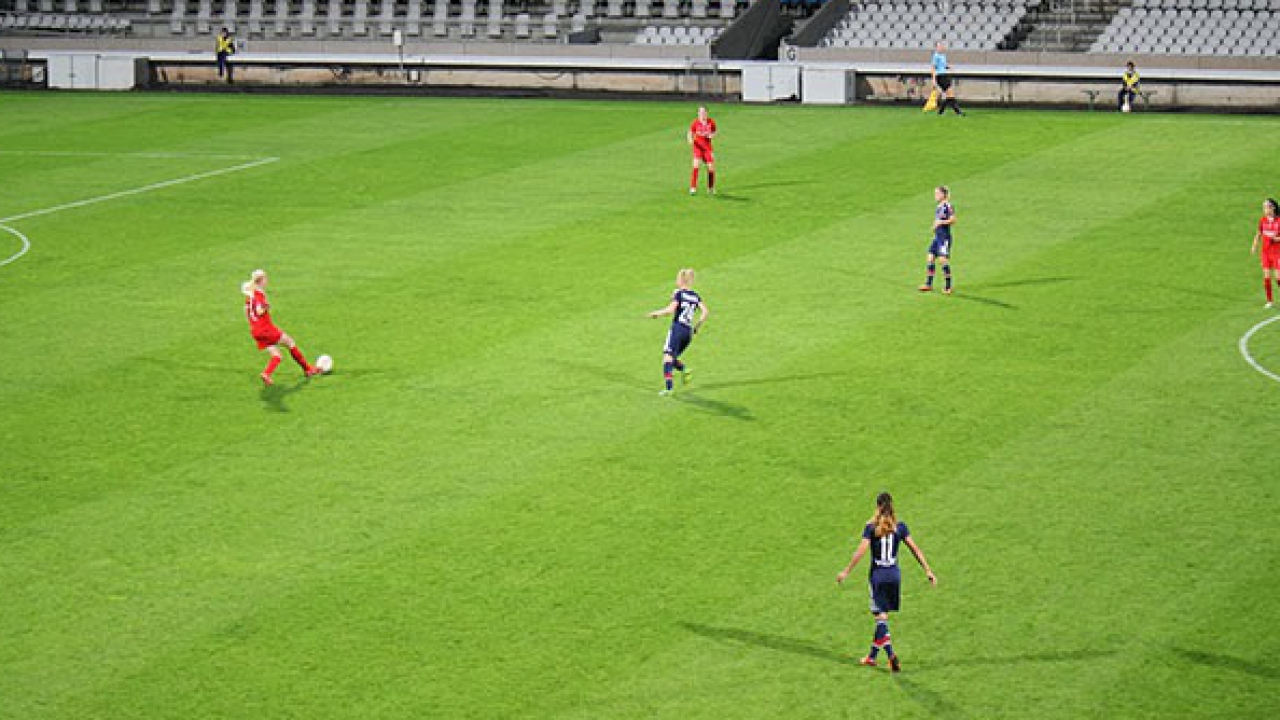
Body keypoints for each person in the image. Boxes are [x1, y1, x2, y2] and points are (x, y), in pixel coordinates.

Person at [837, 492, 937, 673]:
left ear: (877, 506)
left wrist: (846, 571)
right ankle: (872, 657)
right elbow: (915, 549)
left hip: (878, 577)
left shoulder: (871, 527)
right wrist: (928, 570)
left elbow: (860, 551)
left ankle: (891, 654)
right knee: (882, 618)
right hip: (894, 576)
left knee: (880, 618)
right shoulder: (900, 527)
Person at [242, 269, 321, 385]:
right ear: (261, 281)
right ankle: (308, 369)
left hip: (255, 331)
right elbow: (259, 311)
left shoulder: (250, 297)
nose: (267, 280)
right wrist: (265, 307)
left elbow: (246, 312)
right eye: (265, 278)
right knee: (290, 342)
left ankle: (266, 374)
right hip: (266, 329)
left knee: (277, 355)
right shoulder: (259, 295)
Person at [647, 268, 709, 396]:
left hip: (677, 329)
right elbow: (705, 312)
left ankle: (669, 388)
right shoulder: (695, 296)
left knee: (667, 357)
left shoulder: (679, 294)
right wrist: (697, 326)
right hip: (688, 332)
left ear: (681, 280)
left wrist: (656, 314)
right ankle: (684, 369)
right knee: (671, 356)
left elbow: (670, 310)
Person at [919, 185, 956, 294]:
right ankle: (928, 284)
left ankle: (948, 286)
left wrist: (941, 223)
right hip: (937, 237)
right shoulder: (939, 206)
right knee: (930, 257)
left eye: (937, 193)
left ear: (943, 195)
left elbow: (953, 220)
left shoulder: (948, 206)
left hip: (944, 238)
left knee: (942, 260)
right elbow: (938, 219)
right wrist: (935, 226)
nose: (935, 196)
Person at [1251, 198, 1280, 308]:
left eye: (1266, 206)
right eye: (1263, 207)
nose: (1264, 209)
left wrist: (1277, 239)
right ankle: (1270, 301)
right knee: (1266, 277)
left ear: (1272, 208)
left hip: (1277, 253)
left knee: (1278, 278)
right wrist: (1254, 245)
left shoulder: (1279, 221)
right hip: (1266, 253)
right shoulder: (1263, 220)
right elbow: (1258, 234)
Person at [687, 106, 717, 196]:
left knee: (711, 167)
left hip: (707, 147)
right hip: (698, 147)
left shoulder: (711, 122)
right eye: (700, 112)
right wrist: (690, 139)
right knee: (696, 165)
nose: (701, 114)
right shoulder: (695, 123)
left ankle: (710, 188)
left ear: (706, 113)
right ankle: (693, 187)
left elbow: (714, 131)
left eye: (703, 112)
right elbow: (690, 132)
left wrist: (712, 135)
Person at [931, 42, 963, 116]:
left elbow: (944, 65)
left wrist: (949, 67)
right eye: (939, 46)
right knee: (950, 94)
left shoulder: (943, 55)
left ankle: (941, 111)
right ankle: (958, 112)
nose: (941, 47)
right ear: (936, 48)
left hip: (945, 75)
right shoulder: (935, 56)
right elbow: (933, 68)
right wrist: (933, 80)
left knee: (949, 95)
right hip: (940, 76)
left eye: (941, 46)